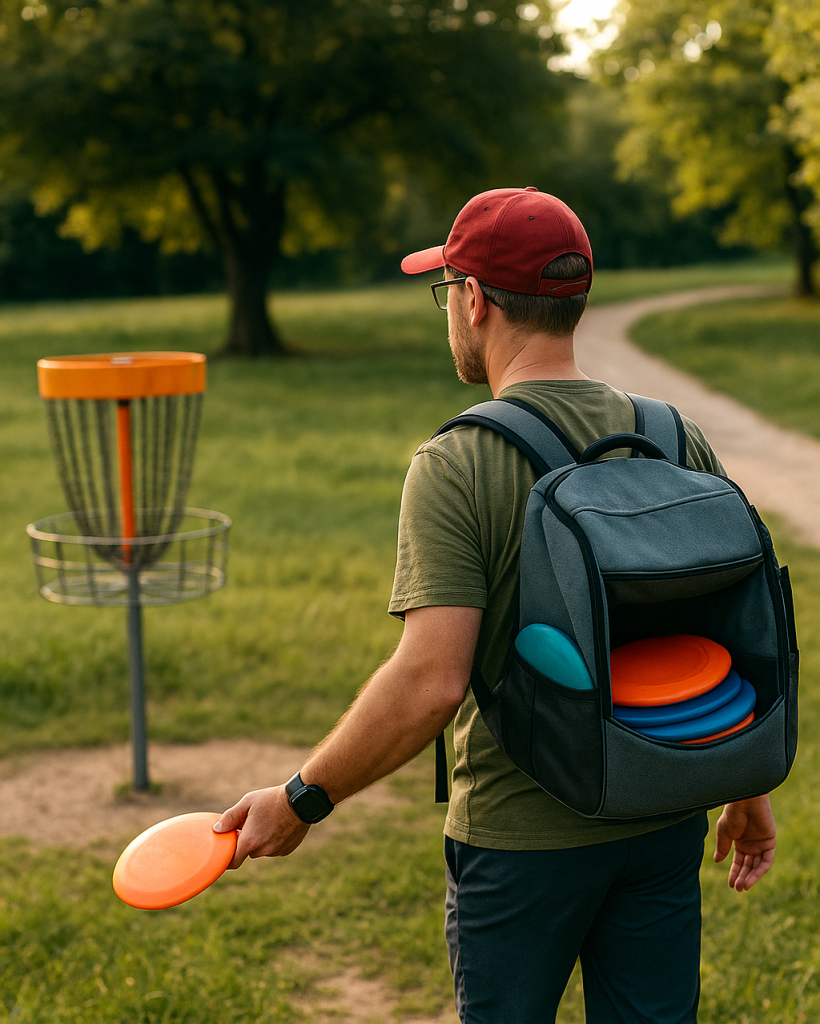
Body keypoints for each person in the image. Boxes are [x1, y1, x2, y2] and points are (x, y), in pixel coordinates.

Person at [214, 187, 777, 1022]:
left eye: (447, 291)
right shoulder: (671, 434)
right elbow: (714, 623)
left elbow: (431, 683)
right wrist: (743, 780)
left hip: (521, 844)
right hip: (662, 814)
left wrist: (301, 798)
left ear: (473, 300)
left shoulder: (457, 462)